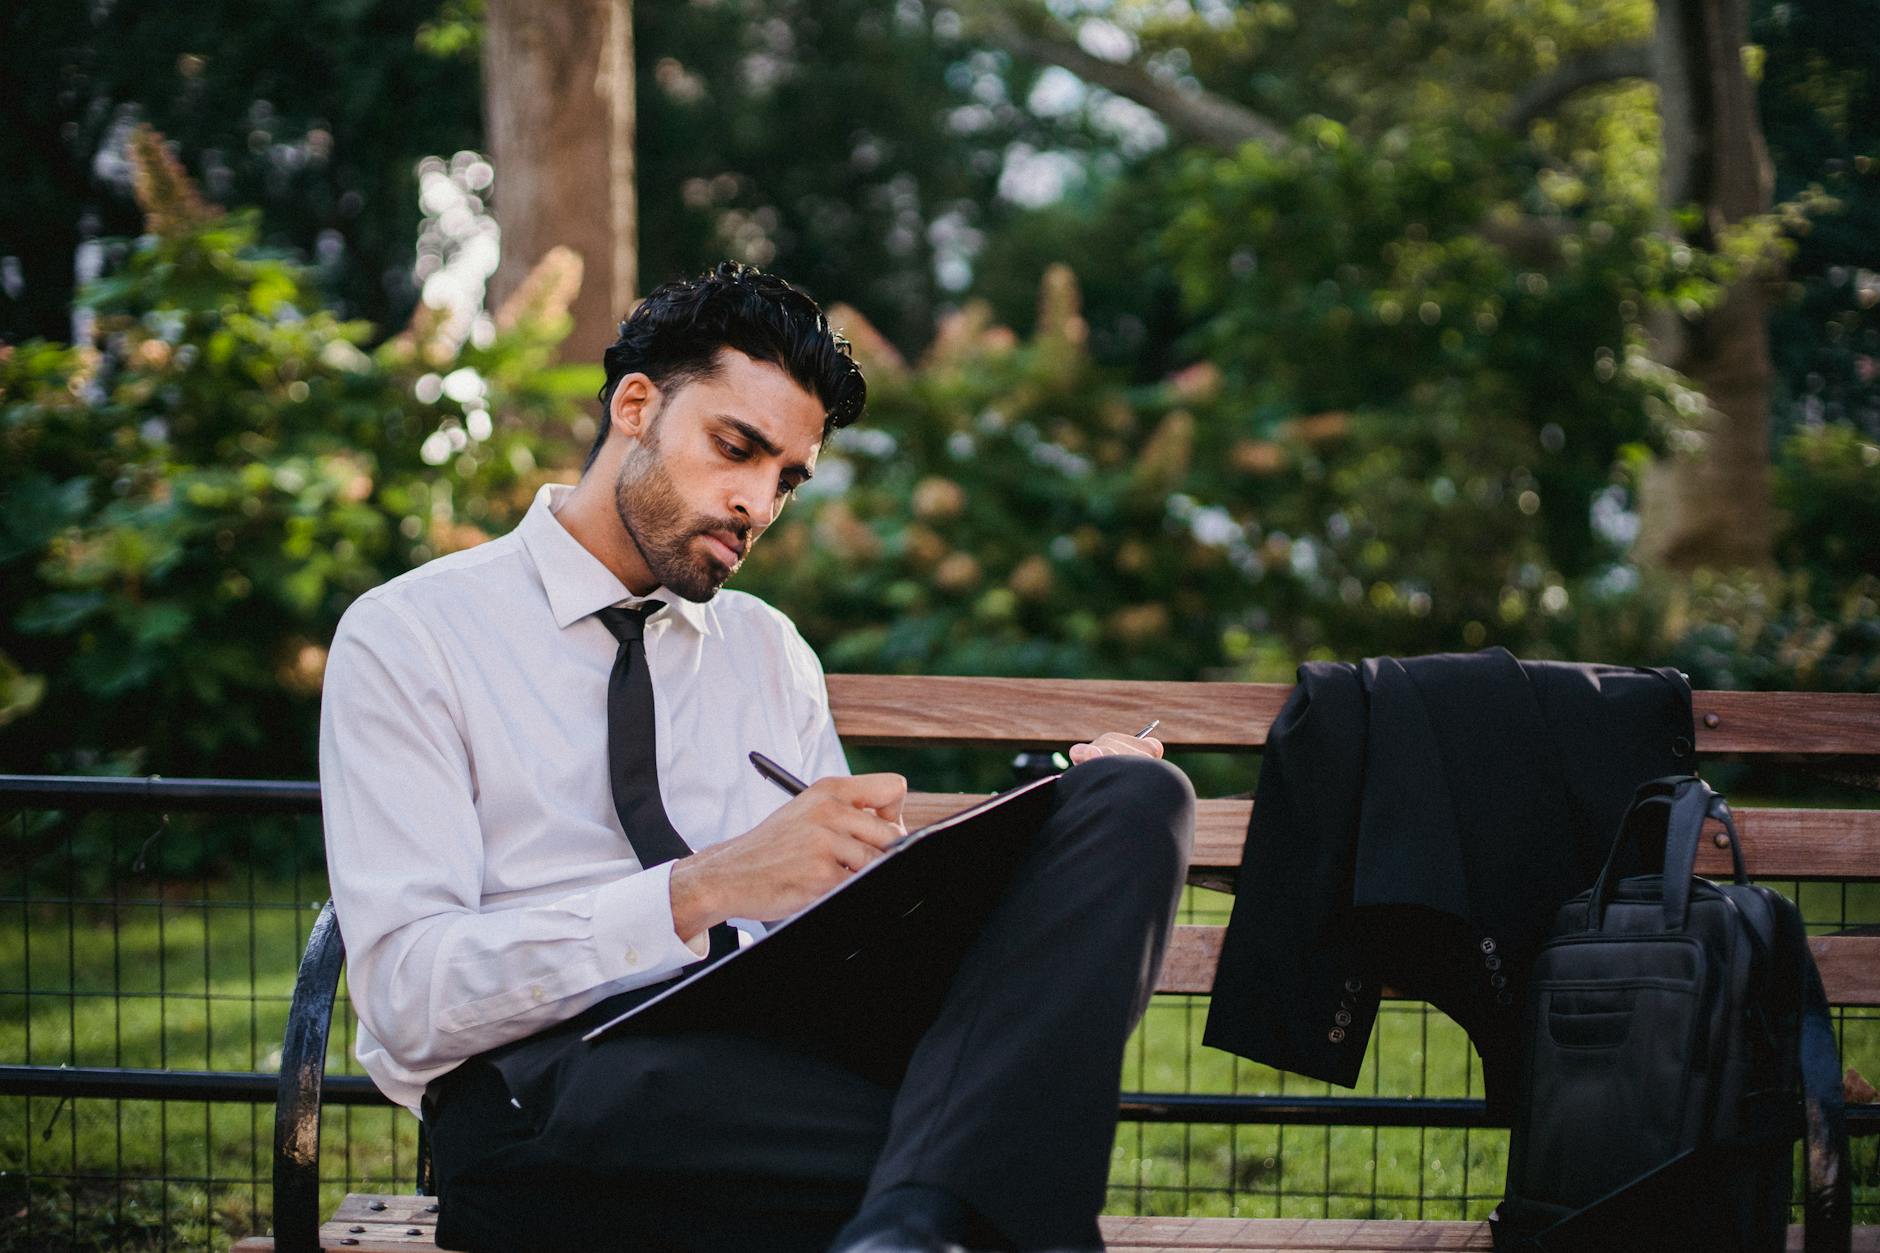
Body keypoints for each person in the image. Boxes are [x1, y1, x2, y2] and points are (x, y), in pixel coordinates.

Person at [318, 261, 1196, 1253]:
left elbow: (844, 922)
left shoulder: (769, 651)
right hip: (549, 1088)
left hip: (789, 1063)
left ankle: (917, 1216)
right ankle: (931, 1203)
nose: (756, 504)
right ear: (636, 406)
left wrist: (1016, 841)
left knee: (1132, 797)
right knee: (991, 1155)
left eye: (784, 477)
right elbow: (407, 996)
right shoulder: (411, 635)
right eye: (735, 449)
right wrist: (700, 888)